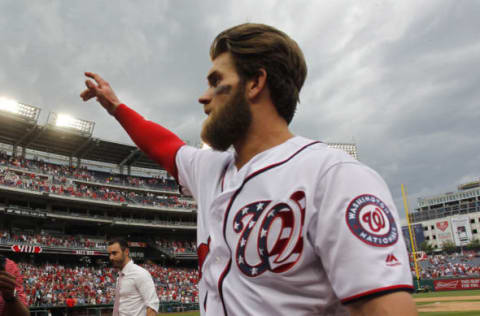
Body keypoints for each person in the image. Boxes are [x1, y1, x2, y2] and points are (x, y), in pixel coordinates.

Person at [82, 23, 418, 316]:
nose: (203, 97)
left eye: (216, 81)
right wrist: (115, 106)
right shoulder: (209, 169)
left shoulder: (335, 176)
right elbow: (164, 146)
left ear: (255, 83)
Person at [107, 239, 159, 316]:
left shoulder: (140, 274)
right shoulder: (120, 276)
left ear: (126, 252)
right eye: (110, 254)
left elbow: (152, 306)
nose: (111, 257)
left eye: (114, 253)